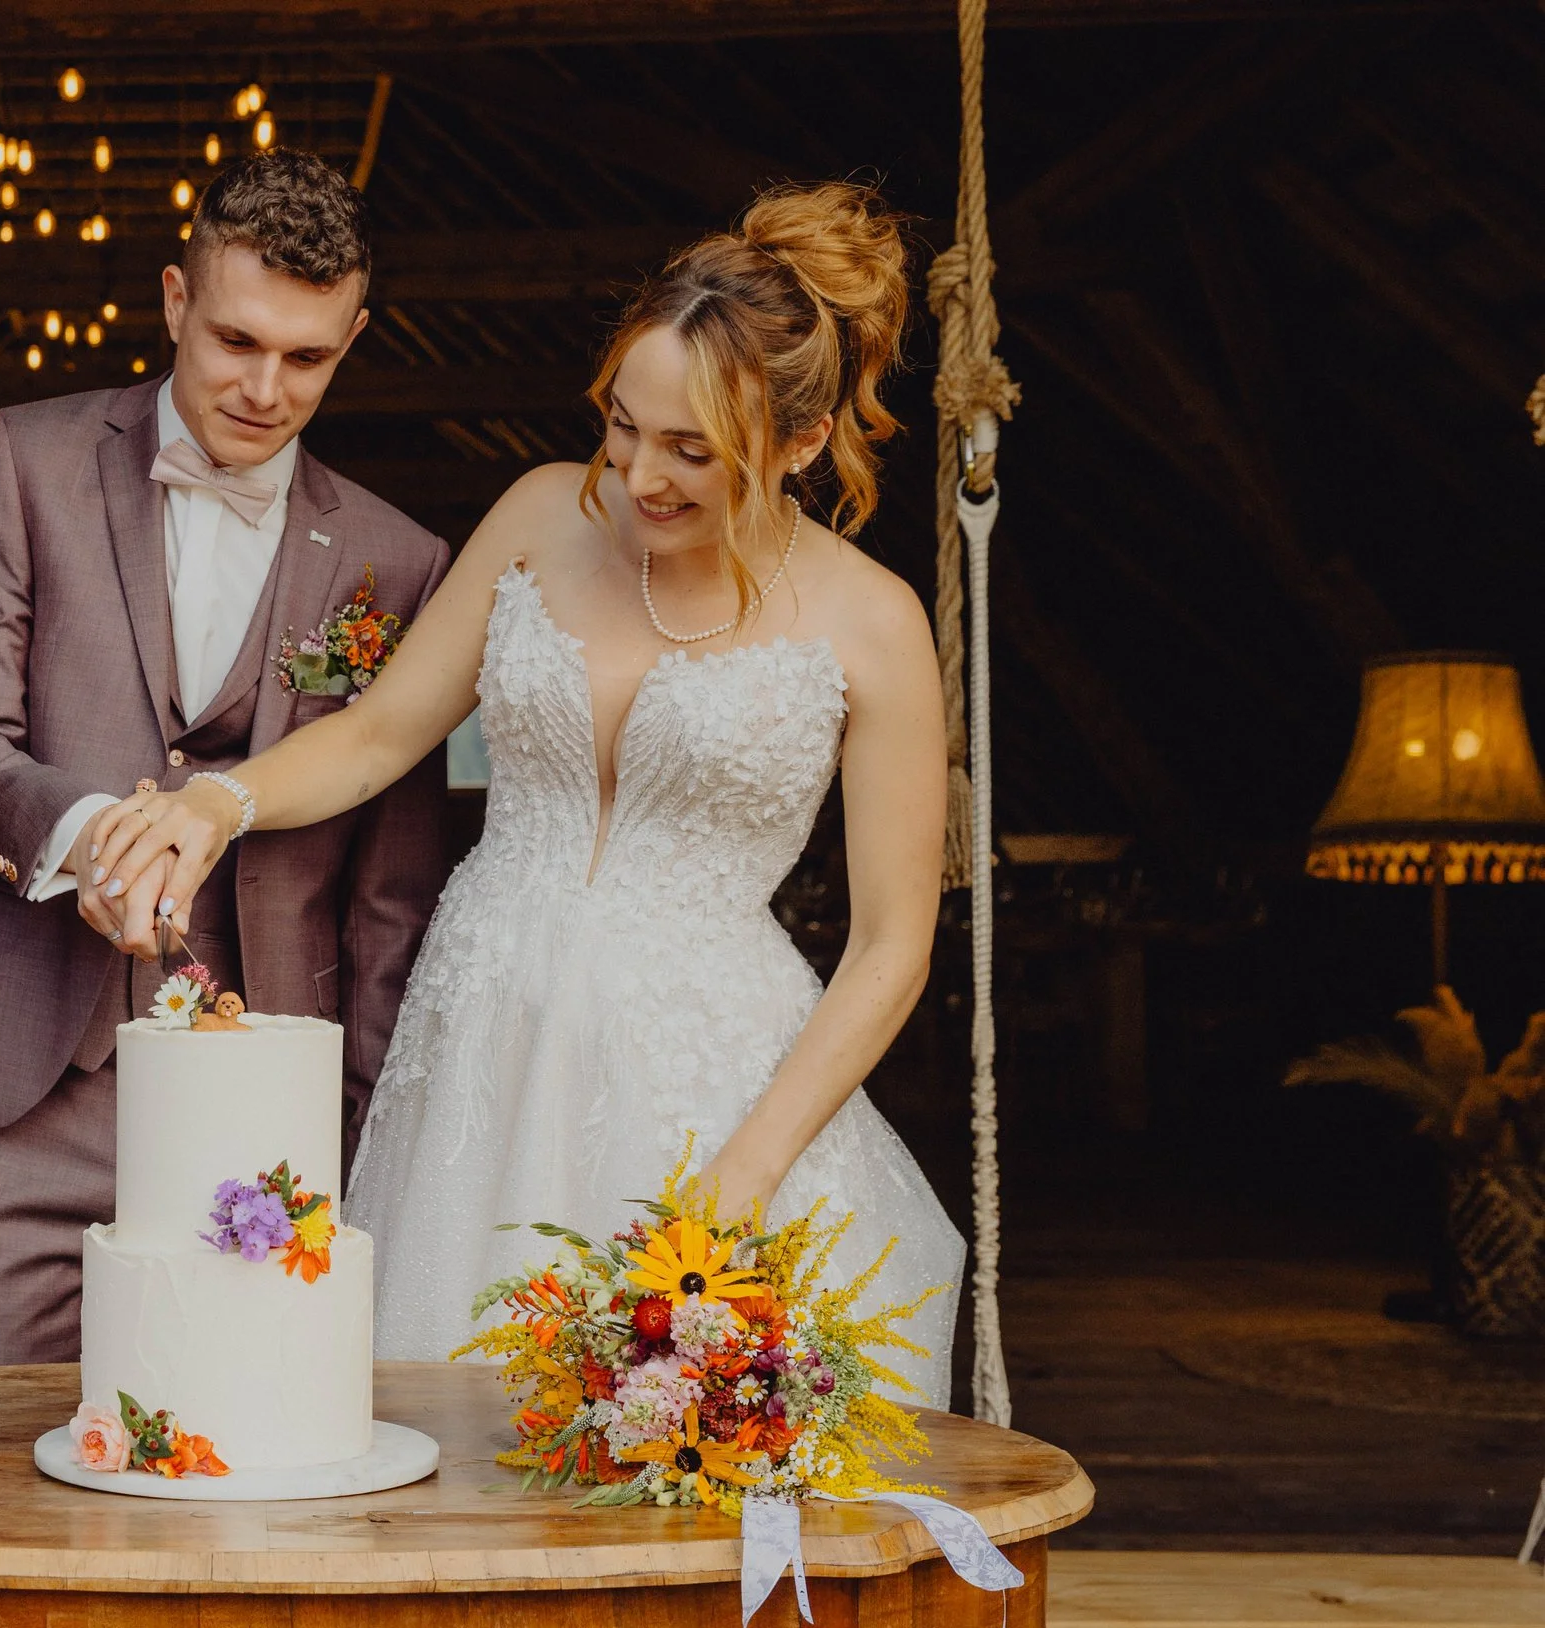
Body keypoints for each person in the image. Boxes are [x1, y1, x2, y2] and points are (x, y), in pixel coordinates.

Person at [85, 181, 969, 1405]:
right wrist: (216, 804)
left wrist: (745, 1173)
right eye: (624, 426)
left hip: (712, 1077)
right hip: (481, 1040)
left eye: (692, 451)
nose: (640, 475)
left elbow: (890, 945)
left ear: (802, 444)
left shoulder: (874, 620)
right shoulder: (544, 513)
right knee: (430, 1407)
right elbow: (378, 732)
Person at [0, 150, 454, 1371]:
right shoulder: (20, 459)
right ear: (175, 299)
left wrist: (358, 1121)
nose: (265, 389)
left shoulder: (398, 561)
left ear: (352, 340)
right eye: (235, 340)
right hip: (17, 1091)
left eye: (307, 358)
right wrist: (90, 835)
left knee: (234, 1452)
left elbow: (390, 897)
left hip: (265, 1105)